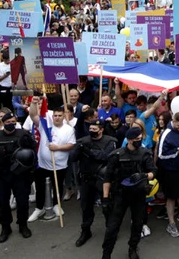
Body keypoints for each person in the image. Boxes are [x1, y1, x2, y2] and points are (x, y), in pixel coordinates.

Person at [0, 110, 35, 242]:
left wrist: (31, 174)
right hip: (0, 176)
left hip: (20, 175)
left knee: (22, 202)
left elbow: (32, 156)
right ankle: (5, 228)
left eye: (13, 122)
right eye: (8, 122)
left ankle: (23, 225)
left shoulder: (24, 136)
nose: (11, 124)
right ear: (2, 123)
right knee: (3, 203)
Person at [101, 126, 157, 259]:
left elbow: (154, 172)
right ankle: (106, 253)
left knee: (137, 224)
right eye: (137, 139)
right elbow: (107, 178)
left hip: (138, 194)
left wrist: (143, 175)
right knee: (112, 227)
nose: (139, 140)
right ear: (129, 140)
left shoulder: (144, 154)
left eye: (140, 138)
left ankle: (133, 248)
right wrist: (105, 199)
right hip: (120, 195)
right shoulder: (117, 155)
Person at [70, 119, 118, 247]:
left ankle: (111, 231)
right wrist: (77, 149)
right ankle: (86, 231)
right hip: (86, 179)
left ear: (101, 129)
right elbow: (72, 158)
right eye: (90, 129)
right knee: (86, 207)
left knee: (106, 206)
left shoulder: (110, 141)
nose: (92, 131)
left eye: (94, 130)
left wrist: (89, 152)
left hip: (103, 180)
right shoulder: (82, 141)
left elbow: (106, 156)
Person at [28, 99, 76, 222]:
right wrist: (33, 103)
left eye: (60, 116)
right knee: (40, 187)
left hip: (59, 165)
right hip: (42, 164)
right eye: (55, 115)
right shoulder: (45, 125)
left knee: (58, 186)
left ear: (64, 116)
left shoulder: (68, 129)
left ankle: (56, 205)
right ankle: (39, 208)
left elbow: (71, 145)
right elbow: (33, 115)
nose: (57, 118)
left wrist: (58, 147)